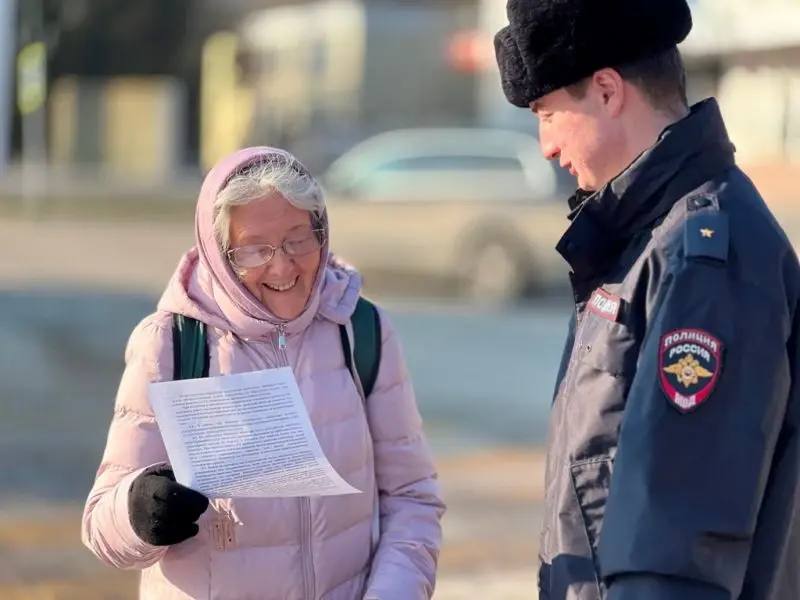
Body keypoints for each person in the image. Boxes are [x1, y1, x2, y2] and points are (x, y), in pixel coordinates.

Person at [495, 1, 800, 599]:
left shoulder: (702, 255)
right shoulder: (644, 234)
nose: (545, 147)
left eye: (548, 114)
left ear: (607, 90)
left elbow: (677, 543)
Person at [81, 147, 445, 600]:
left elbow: (412, 497)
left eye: (298, 239)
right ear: (218, 254)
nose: (282, 265)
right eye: (254, 250)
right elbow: (101, 526)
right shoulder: (173, 344)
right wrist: (137, 513)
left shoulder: (361, 330)